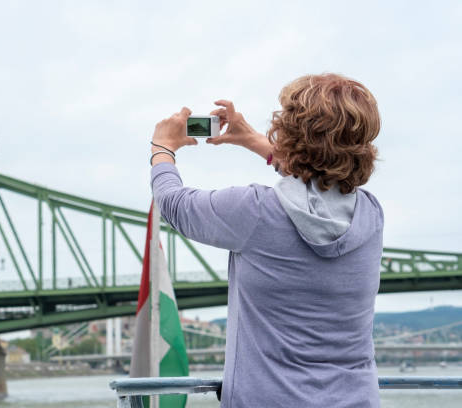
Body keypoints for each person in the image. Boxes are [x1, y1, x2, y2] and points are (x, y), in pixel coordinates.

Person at [149, 73, 383, 407]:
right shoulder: (372, 216)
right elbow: (316, 179)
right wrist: (251, 140)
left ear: (288, 132)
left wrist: (163, 147)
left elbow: (174, 204)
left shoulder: (254, 212)